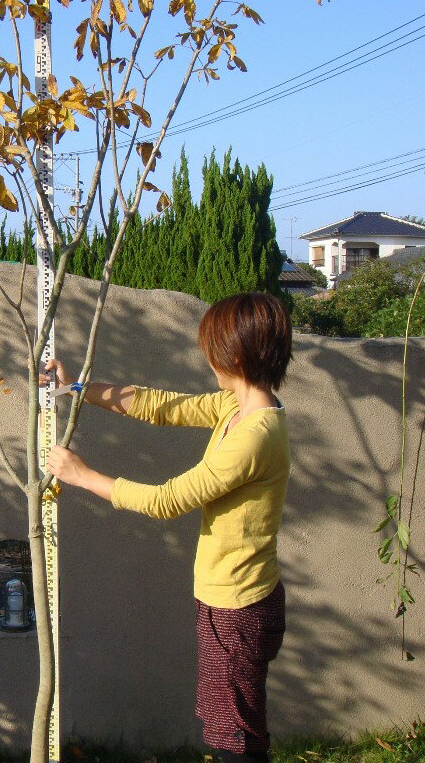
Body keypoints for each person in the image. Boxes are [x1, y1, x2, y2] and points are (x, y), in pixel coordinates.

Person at [40, 292, 292, 763]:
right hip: (232, 598)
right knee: (238, 726)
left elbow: (166, 499)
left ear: (234, 356)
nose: (207, 362)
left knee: (233, 739)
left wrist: (83, 476)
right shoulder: (237, 409)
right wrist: (78, 387)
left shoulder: (255, 437)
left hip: (236, 606)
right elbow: (163, 405)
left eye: (211, 352)